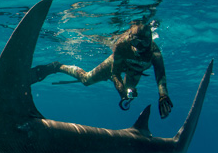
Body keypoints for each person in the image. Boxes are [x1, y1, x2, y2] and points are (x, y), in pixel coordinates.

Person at [31, 20, 173, 117]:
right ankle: (57, 66)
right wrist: (121, 92)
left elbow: (161, 76)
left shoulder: (155, 53)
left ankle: (124, 89)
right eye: (135, 42)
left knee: (131, 91)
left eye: (143, 43)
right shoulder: (121, 45)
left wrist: (163, 95)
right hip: (118, 64)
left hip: (135, 70)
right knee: (86, 80)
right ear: (130, 38)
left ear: (150, 42)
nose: (138, 47)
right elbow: (115, 72)